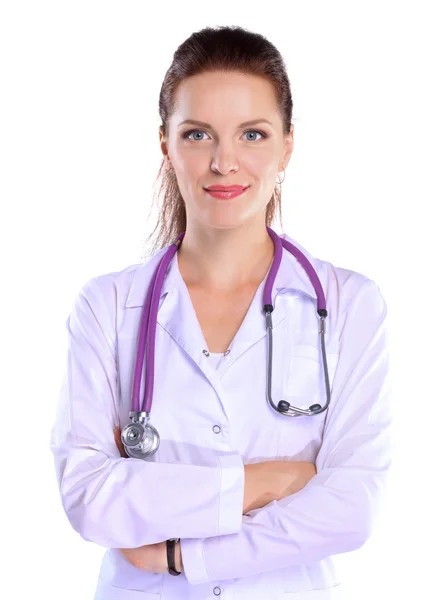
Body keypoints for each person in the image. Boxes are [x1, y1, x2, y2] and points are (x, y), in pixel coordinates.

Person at [49, 25, 393, 600]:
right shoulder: (106, 307)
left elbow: (352, 508)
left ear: (287, 145)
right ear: (166, 146)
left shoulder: (351, 305)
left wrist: (183, 555)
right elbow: (89, 496)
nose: (224, 161)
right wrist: (266, 481)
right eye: (199, 134)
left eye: (252, 134)